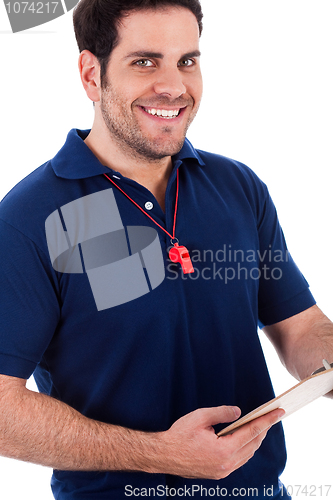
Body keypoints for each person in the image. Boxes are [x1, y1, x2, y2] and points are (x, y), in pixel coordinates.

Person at [0, 0, 332, 498]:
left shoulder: (238, 187)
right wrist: (160, 453)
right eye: (144, 62)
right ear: (92, 75)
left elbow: (301, 326)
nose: (174, 87)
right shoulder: (30, 218)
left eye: (188, 61)